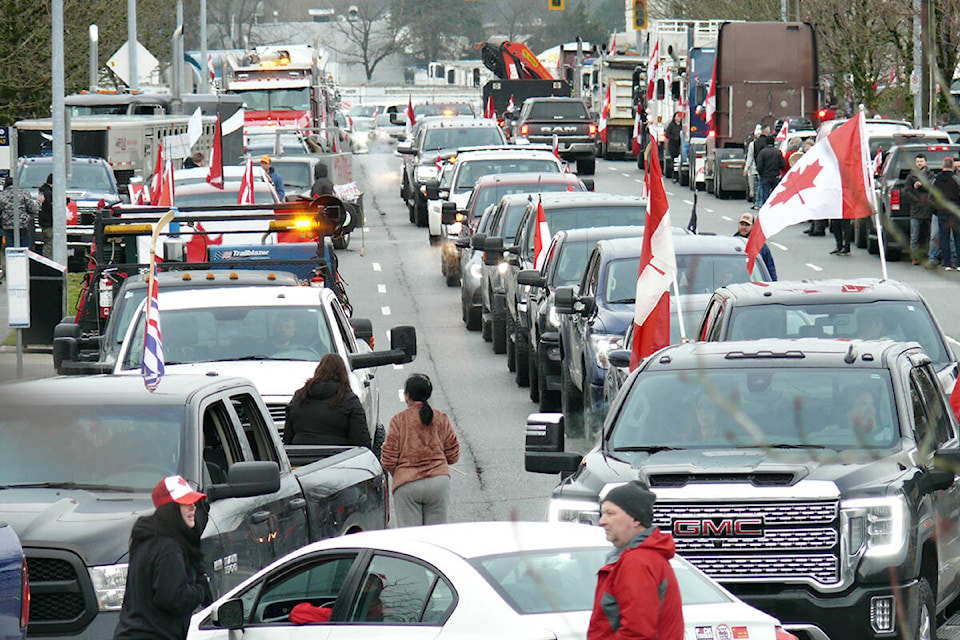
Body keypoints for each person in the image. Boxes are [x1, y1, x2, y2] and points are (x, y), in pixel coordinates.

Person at [113, 476, 212, 640]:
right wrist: (201, 589)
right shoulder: (169, 548)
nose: (193, 507)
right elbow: (172, 599)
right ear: (171, 509)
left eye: (192, 502)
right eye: (185, 503)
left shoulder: (147, 540)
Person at [588, 480, 683, 640]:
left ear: (635, 519)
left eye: (610, 514)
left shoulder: (638, 562)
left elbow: (637, 633)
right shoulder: (641, 558)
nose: (602, 521)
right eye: (603, 513)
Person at [380, 373, 460, 527]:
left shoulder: (398, 420)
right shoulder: (441, 418)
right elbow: (453, 454)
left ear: (407, 396)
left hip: (407, 484)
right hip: (438, 482)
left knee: (412, 539)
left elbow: (388, 459)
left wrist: (397, 471)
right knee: (436, 537)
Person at [283, 353, 371, 448]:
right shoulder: (349, 400)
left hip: (301, 457)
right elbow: (361, 441)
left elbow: (288, 438)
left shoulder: (300, 396)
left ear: (318, 370)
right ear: (343, 374)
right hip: (338, 458)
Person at [0, 176, 39, 274]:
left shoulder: (2, 195)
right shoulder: (24, 193)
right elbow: (33, 209)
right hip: (23, 225)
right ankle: (24, 270)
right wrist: (28, 217)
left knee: (10, 249)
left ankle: (12, 271)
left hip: (7, 226)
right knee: (24, 248)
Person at [932, 156, 960, 271]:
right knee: (957, 237)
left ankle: (947, 263)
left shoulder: (936, 180)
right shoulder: (955, 178)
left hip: (942, 211)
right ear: (953, 167)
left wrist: (935, 209)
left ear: (942, 166)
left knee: (944, 237)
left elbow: (931, 195)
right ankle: (958, 264)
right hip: (954, 211)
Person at [907, 154, 934, 265]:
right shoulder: (911, 176)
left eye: (921, 161)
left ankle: (928, 256)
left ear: (925, 163)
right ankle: (915, 257)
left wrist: (922, 186)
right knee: (914, 236)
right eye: (917, 161)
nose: (919, 163)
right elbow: (907, 191)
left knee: (929, 235)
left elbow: (933, 188)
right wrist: (916, 199)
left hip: (928, 209)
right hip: (916, 210)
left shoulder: (931, 175)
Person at [734, 213, 777, 280]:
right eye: (742, 224)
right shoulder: (732, 242)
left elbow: (770, 269)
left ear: (753, 226)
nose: (744, 227)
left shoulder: (761, 246)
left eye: (747, 225)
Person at [755, 131, 785, 206]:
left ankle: (766, 206)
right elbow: (783, 164)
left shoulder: (763, 152)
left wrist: (761, 173)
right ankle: (774, 206)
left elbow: (759, 165)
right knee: (775, 192)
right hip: (775, 175)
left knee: (765, 193)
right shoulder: (778, 152)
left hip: (765, 175)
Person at [743, 125, 761, 208]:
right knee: (755, 186)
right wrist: (746, 168)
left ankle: (758, 202)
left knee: (759, 186)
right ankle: (757, 201)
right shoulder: (752, 144)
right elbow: (750, 157)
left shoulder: (754, 144)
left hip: (759, 169)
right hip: (754, 168)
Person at [38, 173, 54, 259]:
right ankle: (48, 262)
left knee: (48, 242)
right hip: (49, 222)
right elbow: (51, 207)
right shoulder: (48, 193)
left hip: (44, 222)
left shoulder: (43, 191)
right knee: (50, 244)